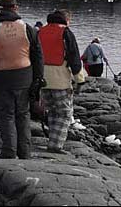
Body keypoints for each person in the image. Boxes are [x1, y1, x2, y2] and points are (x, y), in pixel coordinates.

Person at [0, 0, 44, 159]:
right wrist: (39, 78)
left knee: (6, 116)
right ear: (15, 7)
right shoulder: (27, 29)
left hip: (2, 80)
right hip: (25, 78)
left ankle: (9, 151)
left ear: (0, 8)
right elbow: (38, 55)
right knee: (23, 115)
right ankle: (25, 152)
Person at [38, 9, 85, 154]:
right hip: (60, 80)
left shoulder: (40, 32)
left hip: (42, 80)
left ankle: (52, 139)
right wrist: (79, 80)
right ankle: (55, 145)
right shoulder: (66, 32)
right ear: (66, 20)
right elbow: (74, 58)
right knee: (64, 113)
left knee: (52, 111)